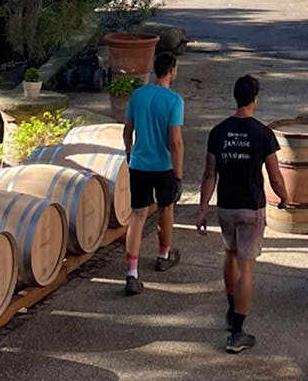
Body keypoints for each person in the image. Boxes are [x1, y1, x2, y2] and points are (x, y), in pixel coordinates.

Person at [195, 74, 288, 353]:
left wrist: (202, 209)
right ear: (255, 100)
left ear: (235, 98)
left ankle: (230, 308)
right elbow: (274, 175)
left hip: (225, 206)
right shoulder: (263, 133)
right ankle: (237, 333)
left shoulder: (218, 132)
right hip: (251, 207)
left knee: (230, 255)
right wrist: (285, 196)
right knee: (246, 266)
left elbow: (209, 174)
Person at [122, 51, 185, 296]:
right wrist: (178, 175)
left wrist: (130, 155)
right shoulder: (174, 101)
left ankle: (131, 273)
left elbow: (127, 132)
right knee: (166, 209)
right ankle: (163, 255)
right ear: (170, 71)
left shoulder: (137, 96)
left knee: (137, 216)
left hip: (139, 164)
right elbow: (176, 141)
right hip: (163, 166)